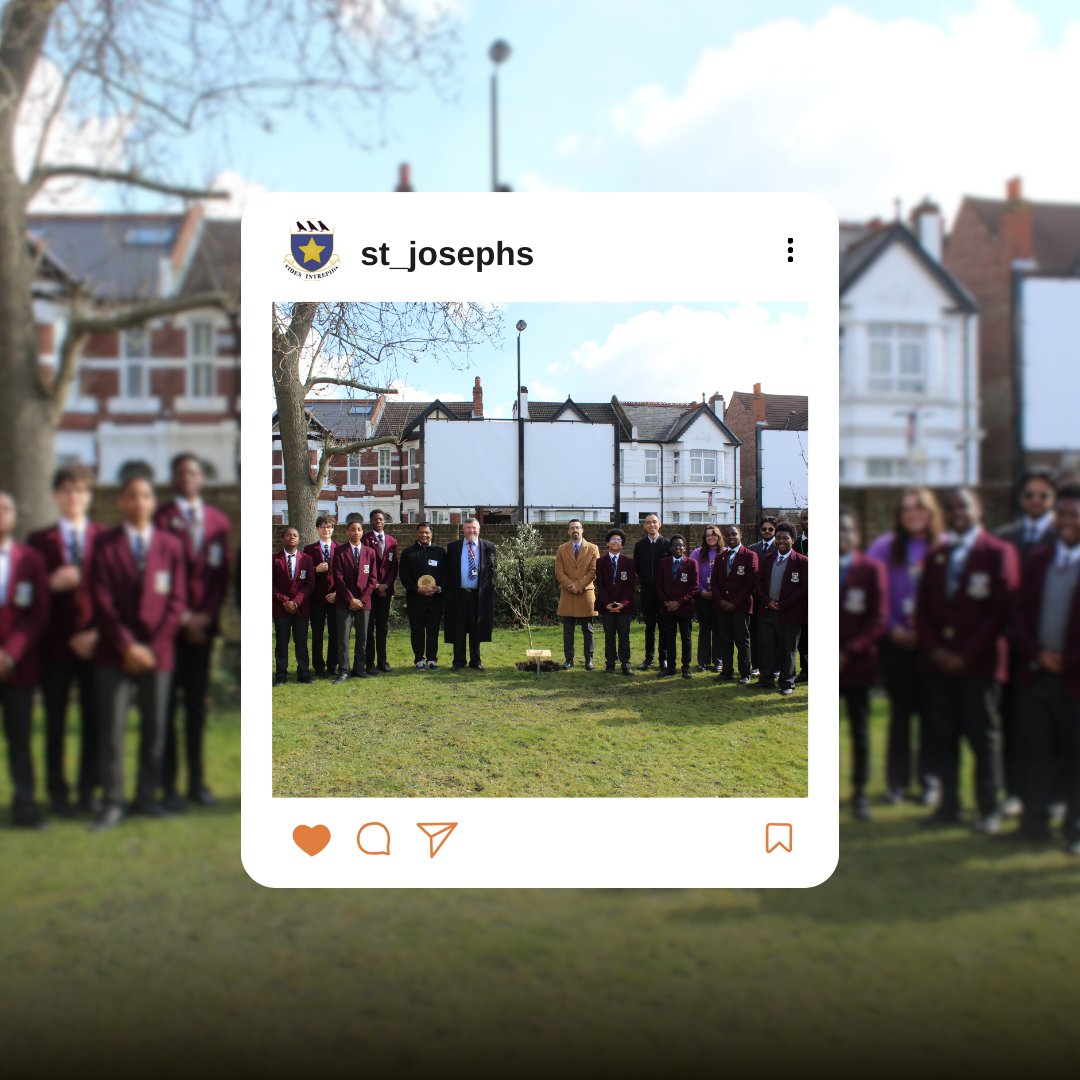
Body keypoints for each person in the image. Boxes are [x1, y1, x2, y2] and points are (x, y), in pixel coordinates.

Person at [89, 465, 187, 830]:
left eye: (145, 495)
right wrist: (129, 646)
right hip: (114, 653)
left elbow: (177, 601)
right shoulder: (103, 545)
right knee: (111, 730)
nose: (138, 501)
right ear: (120, 501)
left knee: (155, 730)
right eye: (131, 495)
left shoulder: (170, 546)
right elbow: (102, 601)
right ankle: (113, 801)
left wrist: (151, 646)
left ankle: (147, 797)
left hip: (158, 654)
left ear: (152, 501)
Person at [916, 488, 1018, 832]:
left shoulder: (998, 553)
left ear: (980, 508)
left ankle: (989, 809)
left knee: (983, 738)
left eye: (965, 506)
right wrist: (938, 651)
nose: (958, 512)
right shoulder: (938, 554)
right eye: (953, 507)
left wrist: (965, 655)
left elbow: (1001, 612)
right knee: (943, 736)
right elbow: (925, 609)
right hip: (940, 665)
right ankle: (949, 807)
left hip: (981, 665)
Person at [154, 453, 231, 810]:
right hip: (169, 631)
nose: (188, 478)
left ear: (201, 478)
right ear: (174, 479)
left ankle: (196, 783)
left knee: (196, 710)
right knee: (167, 708)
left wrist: (205, 617)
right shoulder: (160, 519)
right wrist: (182, 616)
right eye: (181, 473)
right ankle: (169, 787)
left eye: (193, 473)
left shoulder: (217, 522)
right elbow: (158, 575)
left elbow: (220, 579)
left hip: (203, 631)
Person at [28, 464, 102, 817]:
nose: (74, 496)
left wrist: (97, 633)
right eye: (67, 490)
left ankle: (89, 791)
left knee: (94, 722)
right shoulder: (39, 542)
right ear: (57, 495)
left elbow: (116, 595)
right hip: (54, 648)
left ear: (88, 496)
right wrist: (48, 584)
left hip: (94, 646)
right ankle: (58, 792)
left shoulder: (103, 539)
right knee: (55, 723)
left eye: (80, 490)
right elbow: (22, 595)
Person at [866, 487, 947, 806]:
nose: (914, 514)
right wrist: (890, 629)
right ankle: (896, 782)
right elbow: (870, 592)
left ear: (931, 512)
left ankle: (929, 780)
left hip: (934, 647)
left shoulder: (945, 547)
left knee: (932, 715)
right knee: (900, 715)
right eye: (907, 509)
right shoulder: (885, 548)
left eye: (920, 508)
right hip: (896, 645)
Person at [1011, 482, 1080, 853]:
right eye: (1063, 514)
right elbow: (1019, 616)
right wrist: (1039, 653)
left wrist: (1065, 661)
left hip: (1074, 679)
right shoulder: (1039, 559)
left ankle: (1075, 829)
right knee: (1035, 751)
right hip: (1037, 674)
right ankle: (1033, 825)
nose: (1068, 521)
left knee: (1075, 756)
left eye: (1075, 515)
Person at [996, 466, 1059, 818]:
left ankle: (1055, 796)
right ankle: (1015, 792)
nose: (1036, 500)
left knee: (1055, 727)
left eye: (1043, 495)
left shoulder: (1068, 535)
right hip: (1013, 647)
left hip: (1056, 650)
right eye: (1030, 494)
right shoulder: (1006, 539)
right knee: (1013, 723)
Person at [0, 491, 50, 828]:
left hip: (17, 668)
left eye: (3, 509)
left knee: (20, 740)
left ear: (14, 517)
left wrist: (10, 653)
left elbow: (38, 613)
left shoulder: (31, 559)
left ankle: (25, 805)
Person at [839, 507, 888, 822]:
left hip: (856, 665)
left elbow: (877, 619)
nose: (842, 536)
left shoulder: (870, 569)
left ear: (856, 535)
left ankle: (859, 793)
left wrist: (847, 652)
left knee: (859, 731)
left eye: (847, 530)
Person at [754, 521, 807, 696]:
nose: (781, 541)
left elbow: (803, 589)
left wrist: (783, 604)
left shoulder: (802, 562)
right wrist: (768, 601)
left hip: (790, 614)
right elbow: (759, 583)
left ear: (793, 540)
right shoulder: (768, 559)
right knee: (767, 647)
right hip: (767, 611)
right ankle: (766, 680)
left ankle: (787, 682)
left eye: (785, 538)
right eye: (778, 538)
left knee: (787, 649)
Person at [443, 518, 496, 671]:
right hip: (459, 595)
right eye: (467, 528)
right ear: (463, 530)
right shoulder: (453, 547)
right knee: (458, 628)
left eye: (473, 528)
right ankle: (458, 662)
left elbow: (493, 571)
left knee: (476, 629)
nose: (470, 531)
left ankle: (475, 661)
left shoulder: (489, 547)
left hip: (478, 596)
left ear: (479, 529)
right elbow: (449, 570)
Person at [331, 513, 376, 682]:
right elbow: (338, 578)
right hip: (344, 602)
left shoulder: (370, 553)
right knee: (343, 637)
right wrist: (350, 599)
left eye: (358, 530)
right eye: (352, 530)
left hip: (364, 603)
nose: (356, 532)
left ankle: (359, 668)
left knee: (362, 637)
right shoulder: (339, 552)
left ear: (362, 532)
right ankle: (343, 670)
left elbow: (373, 579)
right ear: (347, 533)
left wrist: (361, 600)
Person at [712, 524, 757, 685]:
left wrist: (735, 603)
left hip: (741, 607)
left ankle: (745, 673)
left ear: (740, 535)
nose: (731, 537)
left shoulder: (749, 555)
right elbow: (714, 582)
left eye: (734, 534)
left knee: (742, 640)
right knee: (725, 640)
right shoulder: (720, 557)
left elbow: (751, 583)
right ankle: (727, 671)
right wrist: (722, 601)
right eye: (728, 535)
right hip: (723, 607)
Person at [399, 522, 446, 671]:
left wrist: (439, 588)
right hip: (415, 599)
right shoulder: (408, 553)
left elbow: (447, 574)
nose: (424, 535)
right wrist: (416, 589)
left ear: (431, 534)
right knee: (417, 630)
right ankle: (419, 660)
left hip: (435, 599)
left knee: (433, 630)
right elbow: (404, 576)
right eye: (421, 532)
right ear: (416, 534)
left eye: (427, 533)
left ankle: (432, 659)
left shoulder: (440, 552)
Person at [272, 525, 314, 686]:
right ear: (283, 538)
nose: (291, 537)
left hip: (300, 608)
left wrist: (296, 601)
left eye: (294, 535)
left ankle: (303, 673)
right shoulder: (274, 559)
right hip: (280, 608)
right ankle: (281, 675)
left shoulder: (306, 559)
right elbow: (271, 584)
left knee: (301, 642)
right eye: (288, 535)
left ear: (299, 539)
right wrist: (284, 601)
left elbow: (309, 584)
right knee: (281, 643)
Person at [555, 518, 598, 670]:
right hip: (567, 594)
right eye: (572, 528)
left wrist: (578, 585)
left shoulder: (593, 548)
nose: (575, 530)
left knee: (588, 630)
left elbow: (593, 571)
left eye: (577, 528)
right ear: (568, 531)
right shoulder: (561, 549)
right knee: (568, 631)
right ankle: (569, 659)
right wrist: (569, 585)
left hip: (585, 593)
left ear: (582, 530)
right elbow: (559, 572)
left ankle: (589, 659)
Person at [362, 509, 398, 674]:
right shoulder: (365, 539)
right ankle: (369, 663)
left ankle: (382, 661)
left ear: (385, 521)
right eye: (375, 519)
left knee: (382, 628)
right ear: (371, 521)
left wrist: (386, 585)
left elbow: (393, 567)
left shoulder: (392, 541)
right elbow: (364, 565)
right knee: (369, 628)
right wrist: (376, 585)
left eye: (381, 519)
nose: (378, 521)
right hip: (370, 591)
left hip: (386, 591)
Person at [656, 534, 697, 678]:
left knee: (686, 639)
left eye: (680, 545)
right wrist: (666, 602)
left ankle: (686, 667)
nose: (678, 547)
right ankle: (670, 667)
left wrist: (679, 602)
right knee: (669, 638)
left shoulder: (692, 563)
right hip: (667, 608)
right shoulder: (663, 562)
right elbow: (659, 585)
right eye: (675, 545)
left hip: (684, 608)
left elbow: (694, 587)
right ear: (670, 548)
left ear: (685, 547)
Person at [595, 528, 635, 676]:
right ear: (607, 543)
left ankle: (626, 664)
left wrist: (623, 603)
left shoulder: (629, 562)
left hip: (624, 607)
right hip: (607, 606)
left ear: (622, 545)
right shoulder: (600, 562)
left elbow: (631, 585)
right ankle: (610, 663)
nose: (616, 542)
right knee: (609, 635)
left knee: (624, 635)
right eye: (613, 539)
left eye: (619, 540)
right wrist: (607, 604)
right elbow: (601, 585)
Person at [633, 513, 670, 671]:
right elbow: (637, 568)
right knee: (649, 627)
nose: (651, 525)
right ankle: (648, 658)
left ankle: (664, 659)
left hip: (664, 593)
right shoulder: (639, 545)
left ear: (659, 524)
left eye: (654, 522)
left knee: (664, 627)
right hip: (647, 592)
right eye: (648, 522)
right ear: (644, 526)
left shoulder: (667, 544)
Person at [303, 514, 338, 679]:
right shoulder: (309, 550)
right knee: (317, 634)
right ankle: (318, 666)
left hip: (335, 598)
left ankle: (333, 665)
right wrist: (315, 569)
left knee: (335, 633)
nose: (326, 529)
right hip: (316, 599)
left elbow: (343, 575)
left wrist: (337, 593)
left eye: (329, 526)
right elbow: (302, 574)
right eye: (323, 526)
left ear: (333, 529)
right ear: (317, 529)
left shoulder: (339, 548)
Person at [747, 516, 778, 676]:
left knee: (775, 635)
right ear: (760, 530)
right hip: (756, 598)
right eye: (764, 529)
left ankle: (775, 667)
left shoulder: (781, 547)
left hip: (774, 599)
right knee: (756, 633)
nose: (767, 532)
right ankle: (756, 665)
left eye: (770, 529)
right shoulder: (752, 548)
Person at [689, 525, 723, 672]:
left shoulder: (725, 553)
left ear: (719, 537)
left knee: (718, 629)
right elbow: (692, 574)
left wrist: (716, 592)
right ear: (704, 538)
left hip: (719, 597)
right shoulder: (697, 553)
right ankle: (702, 661)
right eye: (708, 535)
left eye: (714, 534)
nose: (711, 537)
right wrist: (702, 591)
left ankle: (718, 661)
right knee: (704, 629)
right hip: (702, 597)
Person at [795, 508, 809, 684]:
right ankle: (806, 670)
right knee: (804, 639)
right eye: (805, 518)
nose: (807, 521)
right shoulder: (796, 543)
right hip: (800, 599)